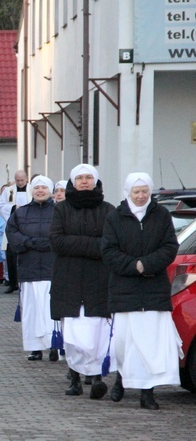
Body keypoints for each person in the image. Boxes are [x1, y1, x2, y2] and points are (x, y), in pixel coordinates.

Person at [101, 172, 182, 410]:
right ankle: (121, 380)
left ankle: (148, 392)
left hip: (153, 289)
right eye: (136, 192)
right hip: (124, 289)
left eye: (144, 191)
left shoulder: (161, 215)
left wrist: (147, 264)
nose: (140, 196)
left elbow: (170, 246)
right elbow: (108, 250)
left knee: (150, 344)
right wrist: (133, 266)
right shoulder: (114, 218)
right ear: (128, 193)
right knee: (125, 343)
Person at [49, 164, 116, 398]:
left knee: (97, 329)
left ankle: (97, 376)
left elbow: (109, 245)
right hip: (69, 277)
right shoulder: (62, 209)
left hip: (98, 279)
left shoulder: (109, 210)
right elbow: (57, 241)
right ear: (72, 182)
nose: (85, 181)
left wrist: (76, 243)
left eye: (89, 177)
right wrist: (92, 244)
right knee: (74, 331)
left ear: (96, 181)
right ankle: (75, 378)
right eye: (80, 178)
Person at [6, 175, 56, 361]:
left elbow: (62, 236)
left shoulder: (60, 212)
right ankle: (35, 347)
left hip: (52, 269)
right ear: (31, 190)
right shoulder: (21, 213)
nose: (40, 191)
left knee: (50, 311)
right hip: (30, 268)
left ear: (50, 190)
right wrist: (31, 243)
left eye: (44, 187)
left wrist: (45, 244)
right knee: (33, 311)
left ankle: (55, 345)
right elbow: (12, 234)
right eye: (37, 188)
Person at [0, 170, 29, 293]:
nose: (20, 183)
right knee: (11, 255)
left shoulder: (33, 189)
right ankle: (12, 283)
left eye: (22, 180)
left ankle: (25, 282)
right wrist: (14, 208)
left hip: (28, 226)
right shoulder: (8, 190)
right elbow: (0, 207)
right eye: (18, 180)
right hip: (13, 225)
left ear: (26, 179)